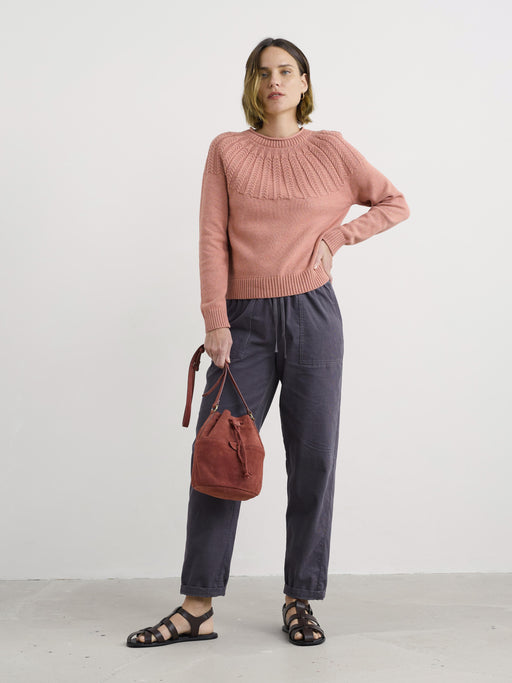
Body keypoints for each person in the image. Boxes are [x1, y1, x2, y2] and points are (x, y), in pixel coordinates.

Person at [126, 36, 410, 649]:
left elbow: (394, 202)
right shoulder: (227, 149)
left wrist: (337, 238)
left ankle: (299, 597)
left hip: (313, 316)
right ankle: (197, 606)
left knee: (314, 459)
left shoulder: (332, 148)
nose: (274, 81)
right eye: (263, 73)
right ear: (252, 85)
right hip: (244, 322)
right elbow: (211, 237)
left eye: (285, 71)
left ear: (304, 82)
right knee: (218, 455)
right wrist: (215, 320)